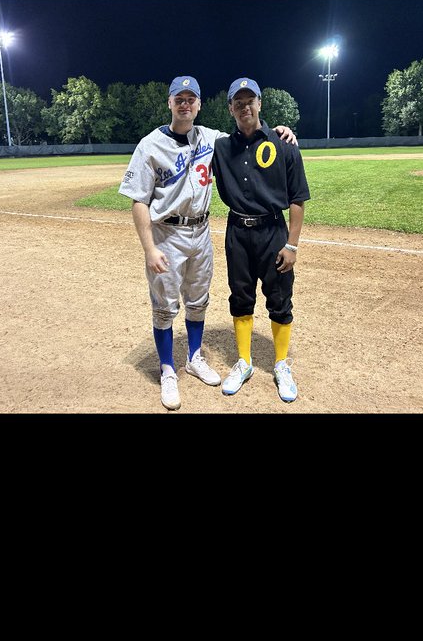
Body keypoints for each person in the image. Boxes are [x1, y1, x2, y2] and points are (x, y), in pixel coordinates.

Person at [119, 76, 297, 410]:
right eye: (179, 99)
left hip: (201, 232)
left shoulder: (211, 138)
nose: (185, 104)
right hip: (167, 234)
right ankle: (168, 369)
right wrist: (149, 248)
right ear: (170, 103)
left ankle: (194, 358)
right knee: (165, 306)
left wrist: (279, 131)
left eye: (191, 99)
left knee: (198, 300)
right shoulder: (149, 145)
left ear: (199, 105)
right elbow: (138, 201)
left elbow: (250, 134)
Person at [211, 77, 310, 403]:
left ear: (260, 104)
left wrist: (291, 245)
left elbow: (297, 198)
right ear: (231, 109)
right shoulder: (221, 148)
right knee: (240, 296)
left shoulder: (284, 144)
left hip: (273, 232)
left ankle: (281, 365)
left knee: (280, 298)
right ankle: (244, 362)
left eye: (250, 101)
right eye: (238, 103)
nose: (245, 107)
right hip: (237, 233)